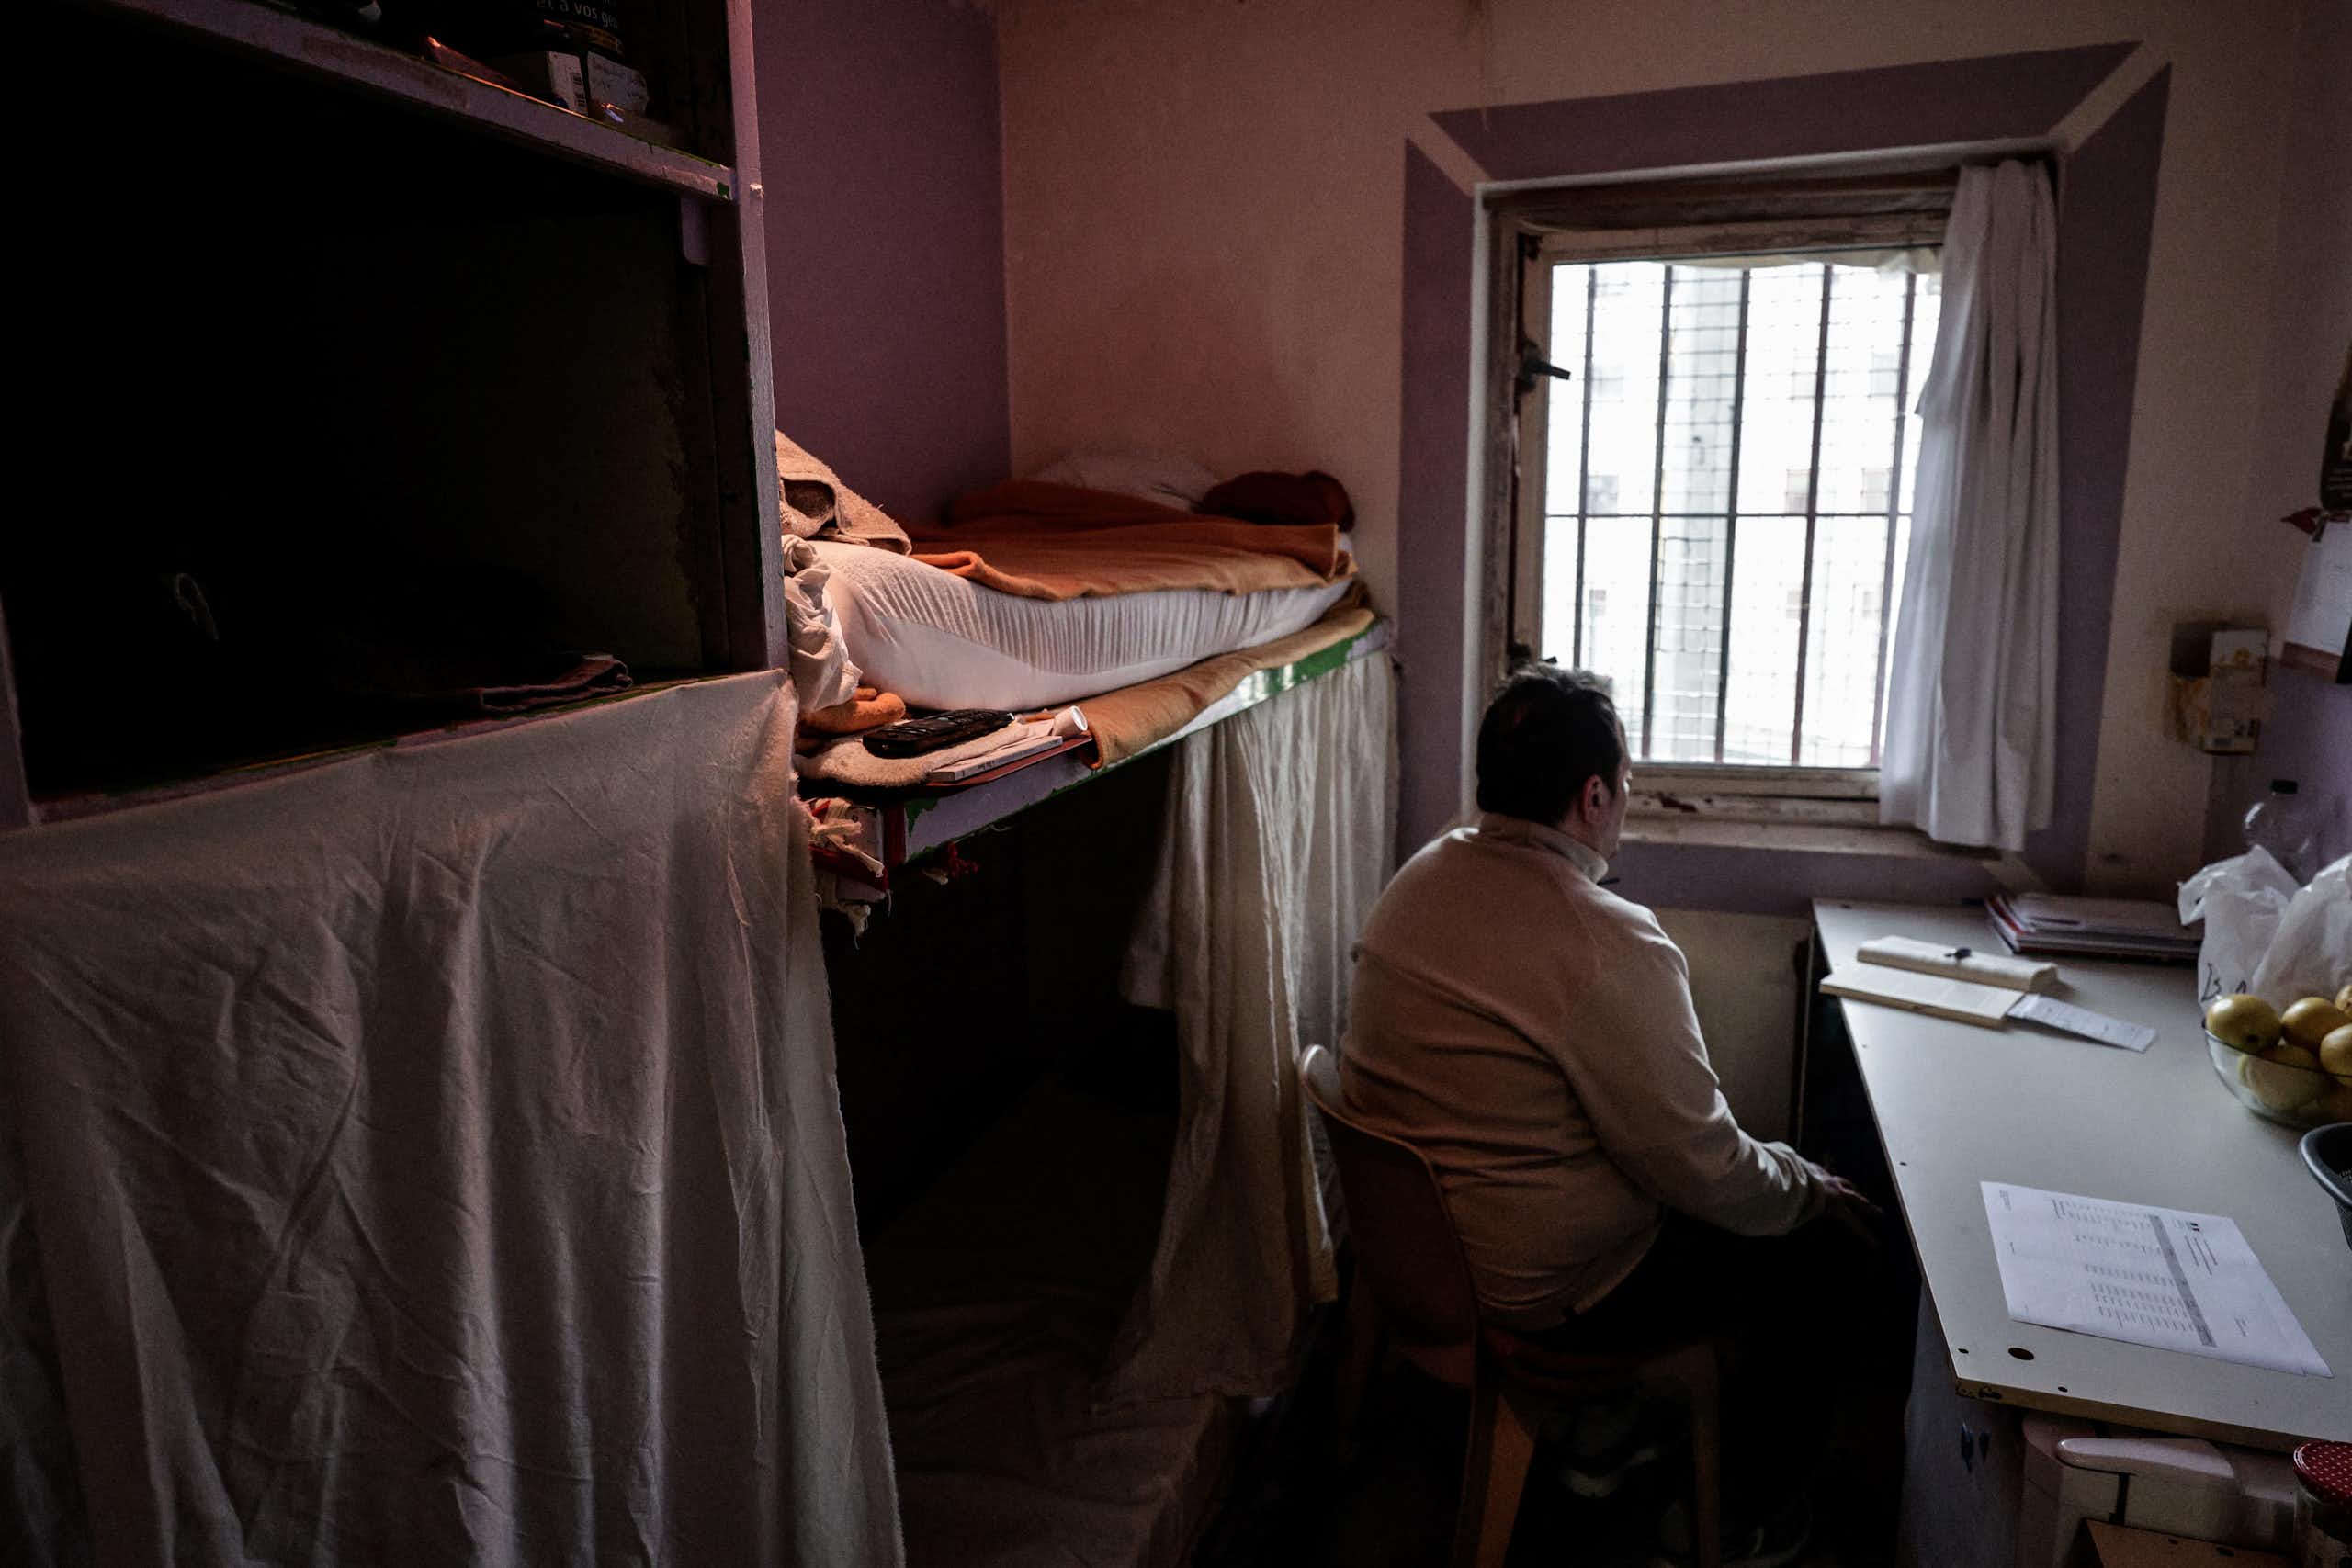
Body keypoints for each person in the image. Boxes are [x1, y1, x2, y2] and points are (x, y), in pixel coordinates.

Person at [1336, 663, 1884, 1566]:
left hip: (1416, 1258)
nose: (1624, 806)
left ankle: (1602, 1433)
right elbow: (1701, 1168)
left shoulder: (1421, 878)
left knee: (1677, 1172)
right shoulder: (1601, 937)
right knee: (1833, 1247)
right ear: (1592, 795)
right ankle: (1739, 1516)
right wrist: (1803, 1183)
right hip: (1533, 1291)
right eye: (1624, 787)